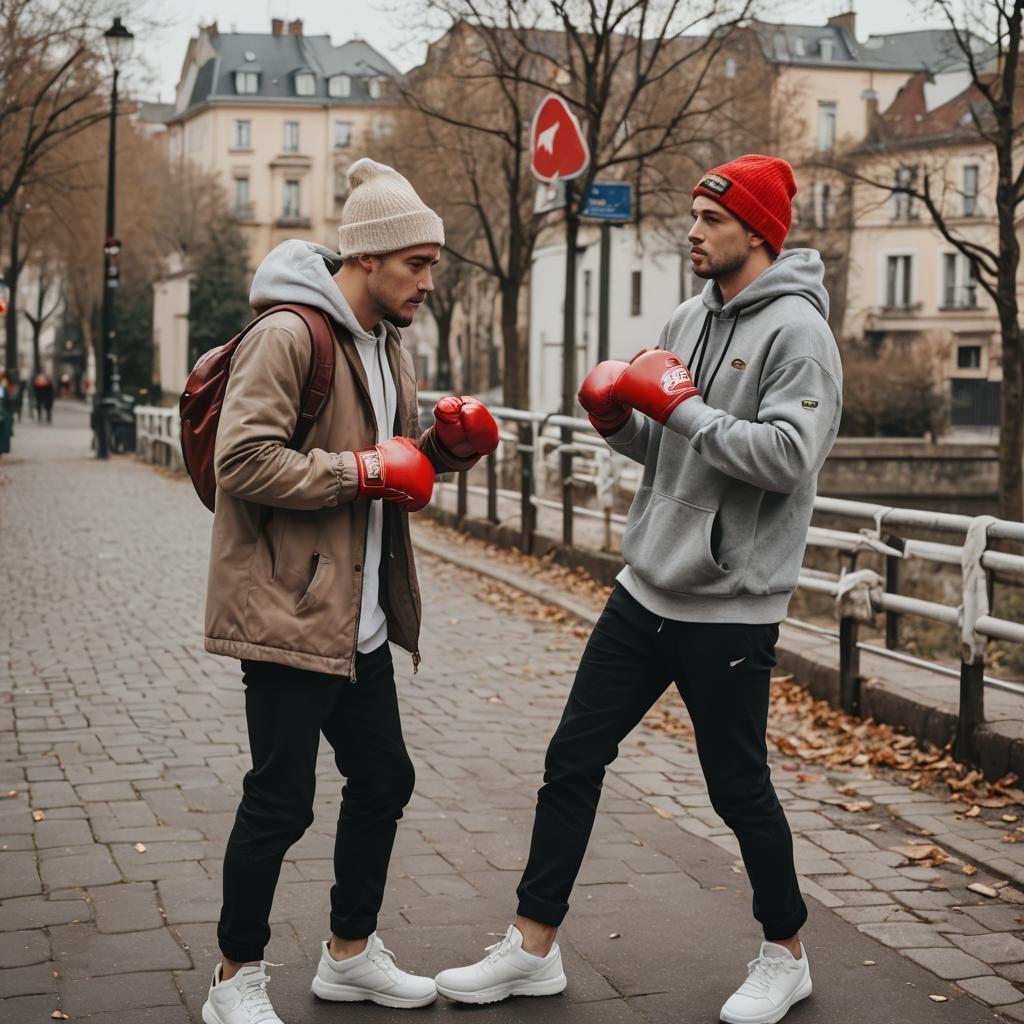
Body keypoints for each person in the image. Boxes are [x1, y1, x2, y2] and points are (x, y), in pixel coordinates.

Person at [434, 154, 843, 1024]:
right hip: (645, 588)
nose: (692, 231)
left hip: (729, 604)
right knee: (572, 756)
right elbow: (670, 451)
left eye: (710, 219)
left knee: (737, 789)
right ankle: (532, 947)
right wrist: (620, 423)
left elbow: (787, 458)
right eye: (693, 214)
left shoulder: (800, 335)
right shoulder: (688, 315)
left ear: (758, 232)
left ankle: (786, 953)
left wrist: (684, 408)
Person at [200, 158, 499, 1024]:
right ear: (366, 259)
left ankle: (350, 955)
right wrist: (362, 468)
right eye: (417, 264)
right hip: (289, 611)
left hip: (357, 620)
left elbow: (394, 463)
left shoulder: (387, 344)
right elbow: (243, 460)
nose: (428, 283)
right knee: (281, 801)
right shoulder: (288, 334)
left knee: (384, 779)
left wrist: (441, 450)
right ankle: (233, 978)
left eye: (433, 265)